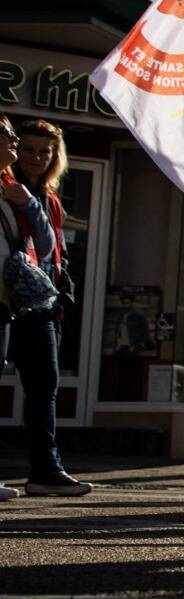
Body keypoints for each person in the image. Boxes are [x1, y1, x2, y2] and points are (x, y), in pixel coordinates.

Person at [0, 116, 90, 498]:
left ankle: (46, 470)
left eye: (45, 151)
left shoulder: (49, 197)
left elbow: (54, 251)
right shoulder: (9, 188)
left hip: (39, 299)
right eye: (29, 149)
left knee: (44, 384)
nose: (36, 157)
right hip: (10, 296)